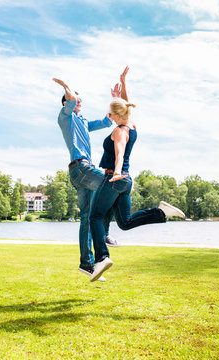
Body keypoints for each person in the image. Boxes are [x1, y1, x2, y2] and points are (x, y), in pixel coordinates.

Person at [89, 66, 185, 281]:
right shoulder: (131, 124)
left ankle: (102, 258)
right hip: (125, 182)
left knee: (95, 216)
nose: (109, 116)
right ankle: (161, 213)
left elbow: (120, 152)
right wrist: (122, 87)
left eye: (110, 113)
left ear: (116, 115)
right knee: (125, 222)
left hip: (115, 178)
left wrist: (117, 172)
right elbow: (127, 106)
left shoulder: (119, 131)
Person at [52, 76, 120, 282]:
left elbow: (106, 121)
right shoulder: (65, 117)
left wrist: (116, 101)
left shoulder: (82, 122)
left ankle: (86, 264)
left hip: (80, 173)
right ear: (66, 102)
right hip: (81, 168)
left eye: (80, 100)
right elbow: (71, 100)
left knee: (87, 218)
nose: (79, 102)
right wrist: (66, 87)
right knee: (114, 184)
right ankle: (105, 234)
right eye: (75, 100)